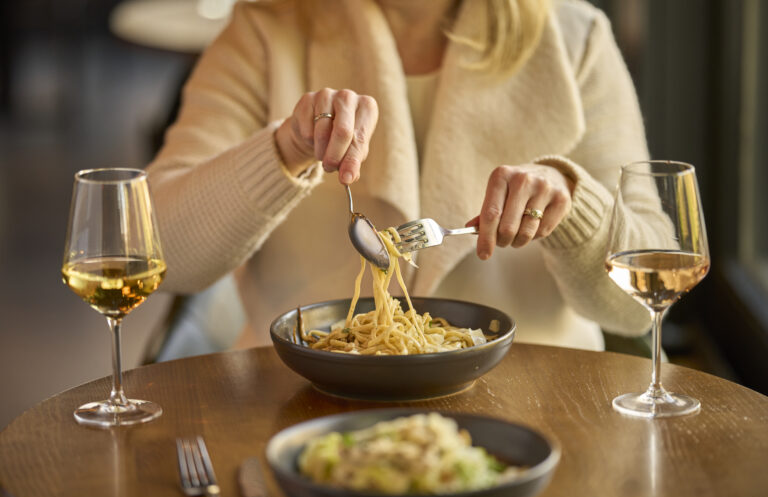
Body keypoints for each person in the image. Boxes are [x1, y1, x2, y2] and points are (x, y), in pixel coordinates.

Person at [146, 0, 652, 355]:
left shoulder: (575, 37)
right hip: (302, 407)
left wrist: (572, 205)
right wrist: (282, 151)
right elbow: (158, 251)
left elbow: (642, 300)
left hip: (540, 409)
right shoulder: (262, 31)